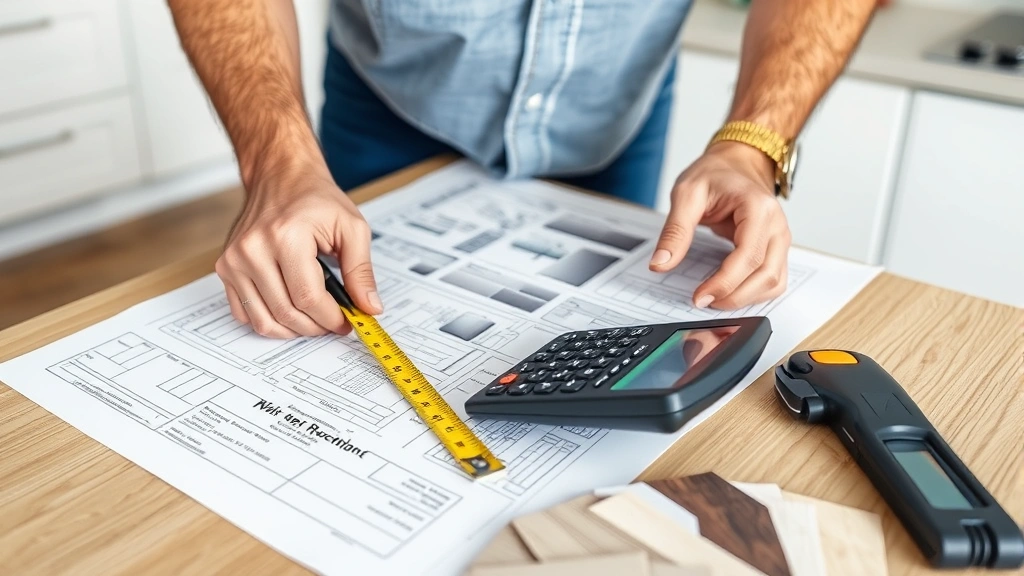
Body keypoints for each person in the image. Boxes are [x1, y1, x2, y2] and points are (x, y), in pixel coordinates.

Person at [166, 0, 877, 339]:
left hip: (613, 109)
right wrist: (275, 159)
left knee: (600, 346)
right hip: (390, 94)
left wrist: (753, 143)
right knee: (321, 326)